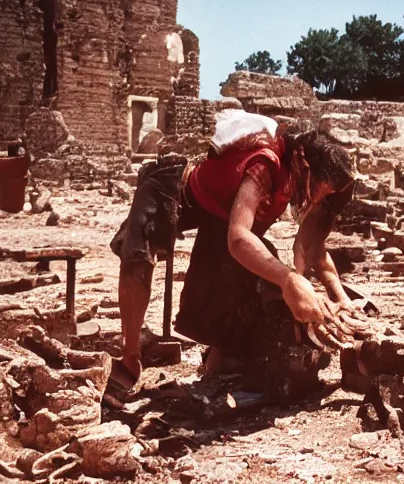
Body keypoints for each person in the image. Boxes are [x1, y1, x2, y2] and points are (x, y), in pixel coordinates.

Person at [110, 111, 357, 390]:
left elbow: (312, 245)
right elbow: (239, 239)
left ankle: (217, 358)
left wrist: (341, 299)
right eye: (318, 190)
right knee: (137, 255)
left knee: (253, 272)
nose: (317, 199)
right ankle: (130, 355)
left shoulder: (308, 183)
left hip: (225, 215)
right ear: (302, 164)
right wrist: (291, 280)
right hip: (184, 192)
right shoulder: (265, 166)